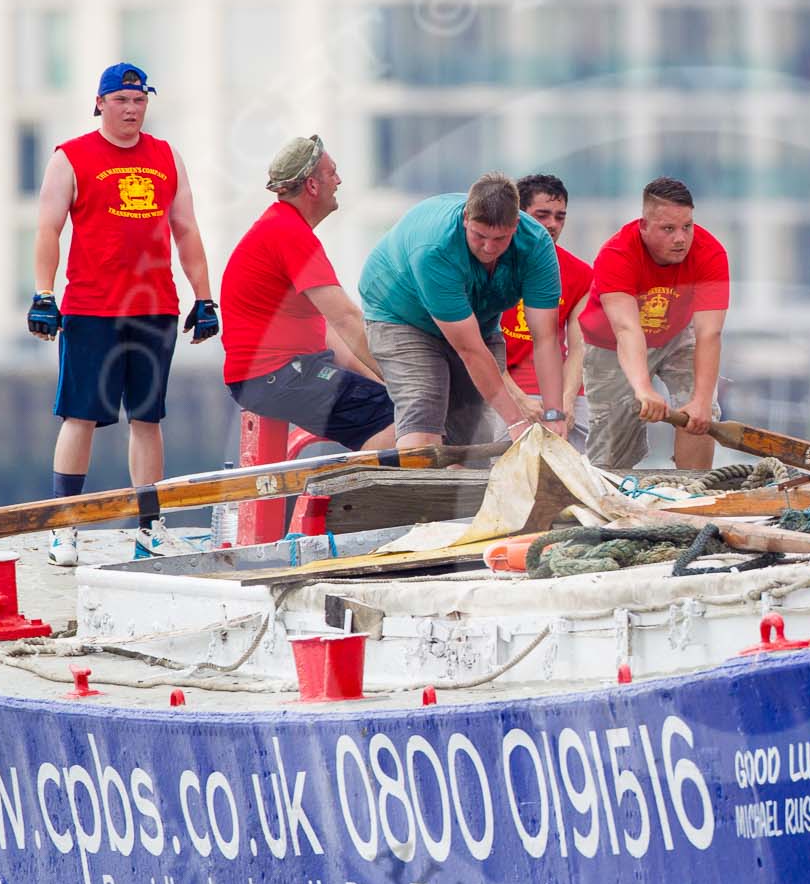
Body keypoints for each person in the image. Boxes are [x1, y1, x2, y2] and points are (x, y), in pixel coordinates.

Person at [28, 62, 217, 563]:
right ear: (101, 103)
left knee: (147, 418)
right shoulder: (71, 156)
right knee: (80, 415)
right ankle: (64, 526)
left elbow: (187, 229)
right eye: (121, 100)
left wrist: (204, 296)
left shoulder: (165, 156)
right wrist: (43, 295)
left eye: (139, 101)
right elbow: (49, 229)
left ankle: (149, 525)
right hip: (91, 307)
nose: (131, 109)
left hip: (154, 307)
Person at [359, 174, 567, 451]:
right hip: (401, 317)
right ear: (466, 218)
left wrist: (554, 415)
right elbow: (470, 351)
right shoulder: (434, 248)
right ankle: (412, 485)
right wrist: (516, 422)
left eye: (500, 239)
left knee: (473, 438)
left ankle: (459, 488)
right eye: (480, 236)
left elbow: (545, 338)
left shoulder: (536, 244)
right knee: (424, 404)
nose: (489, 248)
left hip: (477, 321)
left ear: (516, 225)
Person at [220, 135, 396, 455]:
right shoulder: (290, 234)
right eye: (332, 173)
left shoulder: (282, 227)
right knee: (403, 420)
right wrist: (402, 379)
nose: (339, 181)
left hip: (278, 374)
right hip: (277, 376)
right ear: (313, 186)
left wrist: (383, 379)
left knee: (391, 402)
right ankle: (365, 500)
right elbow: (346, 317)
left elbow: (330, 332)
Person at [578, 177, 729, 470]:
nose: (681, 238)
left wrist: (699, 402)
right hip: (611, 343)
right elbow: (626, 329)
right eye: (668, 229)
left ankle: (693, 490)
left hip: (675, 335)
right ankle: (607, 495)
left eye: (687, 226)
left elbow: (709, 333)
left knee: (702, 411)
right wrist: (643, 388)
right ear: (644, 226)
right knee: (612, 449)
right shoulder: (616, 255)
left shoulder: (710, 253)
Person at [496, 173, 593, 450]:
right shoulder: (489, 264)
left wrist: (565, 400)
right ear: (518, 216)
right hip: (501, 386)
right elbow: (478, 349)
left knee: (592, 451)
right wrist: (519, 402)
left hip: (559, 389)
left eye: (560, 216)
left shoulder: (581, 275)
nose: (552, 224)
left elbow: (579, 350)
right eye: (542, 215)